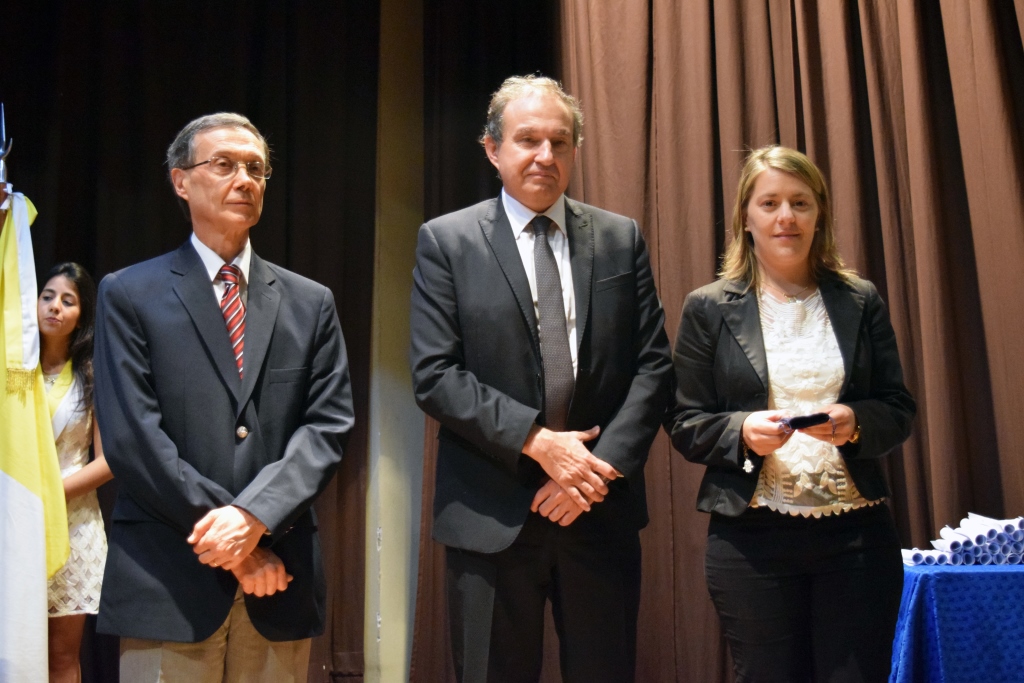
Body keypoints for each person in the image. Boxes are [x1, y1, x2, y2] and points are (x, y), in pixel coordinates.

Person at [410, 75, 672, 682]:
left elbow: (653, 364)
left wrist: (593, 471)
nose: (545, 156)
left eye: (560, 141)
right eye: (527, 139)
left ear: (576, 150)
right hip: (490, 512)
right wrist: (539, 442)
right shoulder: (446, 241)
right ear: (492, 149)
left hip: (597, 510)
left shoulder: (618, 237)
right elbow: (435, 374)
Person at [93, 113, 354, 682]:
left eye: (256, 169)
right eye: (224, 165)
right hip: (168, 576)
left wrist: (254, 518)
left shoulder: (311, 303)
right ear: (180, 181)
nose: (244, 179)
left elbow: (327, 429)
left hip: (280, 576)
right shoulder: (129, 293)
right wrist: (236, 542)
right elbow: (133, 438)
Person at [665, 145, 916, 682]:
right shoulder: (707, 307)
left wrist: (856, 421)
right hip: (751, 541)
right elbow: (685, 423)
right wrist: (740, 431)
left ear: (819, 213)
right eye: (770, 202)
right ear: (745, 217)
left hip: (856, 538)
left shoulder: (859, 298)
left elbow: (898, 408)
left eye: (800, 202)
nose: (786, 217)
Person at [38, 262, 113, 683]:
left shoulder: (92, 373)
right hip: (15, 524)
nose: (55, 307)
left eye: (68, 301)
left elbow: (109, 461)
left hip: (74, 526)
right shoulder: (14, 370)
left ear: (81, 315)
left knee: (61, 658)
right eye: (47, 296)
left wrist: (50, 493)